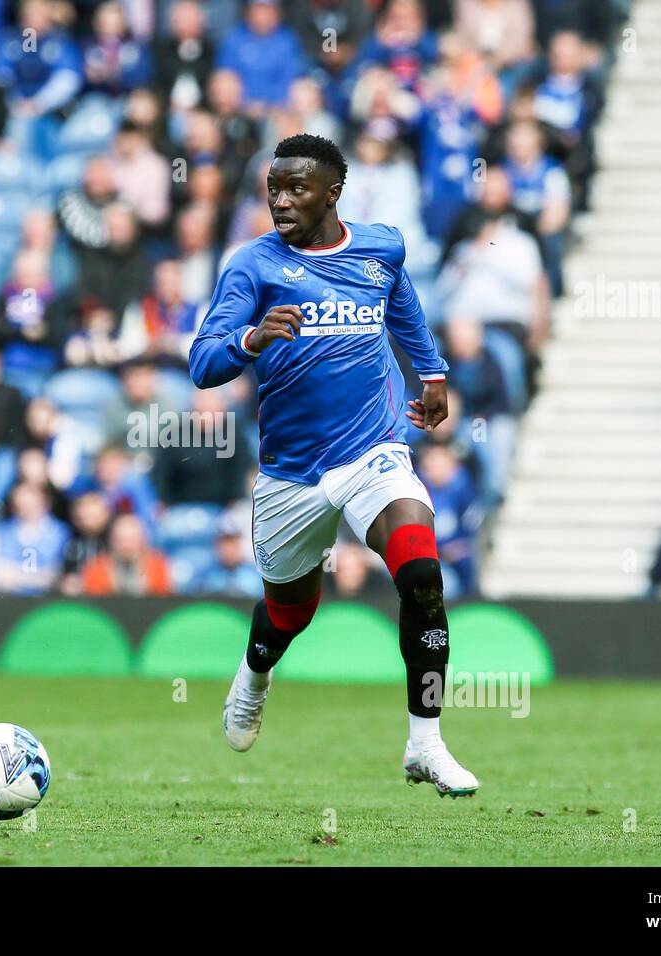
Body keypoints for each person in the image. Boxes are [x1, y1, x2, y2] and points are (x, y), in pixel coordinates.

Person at [188, 133, 479, 797]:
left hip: (371, 451)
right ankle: (254, 675)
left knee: (423, 578)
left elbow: (400, 304)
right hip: (291, 473)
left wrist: (431, 372)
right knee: (289, 613)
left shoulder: (380, 247)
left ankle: (425, 743)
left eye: (296, 189)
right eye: (273, 190)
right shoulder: (251, 266)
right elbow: (204, 363)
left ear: (332, 192)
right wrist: (250, 338)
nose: (282, 201)